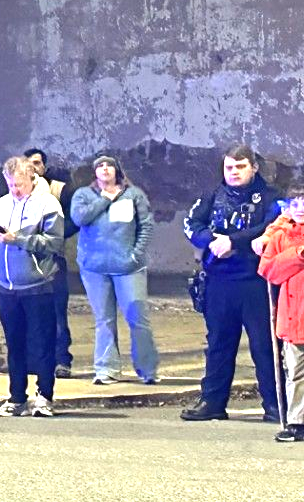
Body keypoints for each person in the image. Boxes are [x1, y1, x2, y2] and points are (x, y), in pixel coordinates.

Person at [181, 145, 280, 423]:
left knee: (264, 346)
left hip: (256, 283)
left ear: (254, 167)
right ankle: (212, 402)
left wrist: (234, 241)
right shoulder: (212, 196)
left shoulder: (271, 197)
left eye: (240, 167)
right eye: (229, 168)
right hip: (219, 282)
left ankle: (274, 405)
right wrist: (211, 241)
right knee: (218, 345)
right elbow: (191, 224)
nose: (234, 173)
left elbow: (271, 227)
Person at [69, 154, 159, 385]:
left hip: (128, 267)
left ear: (118, 170)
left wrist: (135, 254)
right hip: (95, 268)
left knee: (137, 318)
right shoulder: (84, 195)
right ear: (94, 172)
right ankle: (106, 369)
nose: (105, 169)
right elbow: (79, 218)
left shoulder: (134, 195)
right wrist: (104, 199)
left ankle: (147, 369)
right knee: (104, 319)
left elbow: (146, 226)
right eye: (100, 166)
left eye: (109, 165)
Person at [0, 153, 65, 417]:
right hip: (7, 287)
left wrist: (17, 239)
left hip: (37, 283)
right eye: (10, 185)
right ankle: (16, 396)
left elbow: (54, 243)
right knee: (14, 344)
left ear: (32, 179)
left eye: (19, 185)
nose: (15, 190)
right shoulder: (0, 205)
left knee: (42, 342)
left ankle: (44, 397)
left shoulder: (48, 205)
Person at [254, 183, 304, 443]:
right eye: (295, 204)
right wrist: (298, 255)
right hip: (294, 316)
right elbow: (269, 270)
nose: (301, 209)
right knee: (295, 372)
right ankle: (297, 421)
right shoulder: (282, 235)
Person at [25, 148, 76, 377]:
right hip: (26, 263)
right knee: (29, 314)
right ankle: (35, 360)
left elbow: (75, 218)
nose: (33, 167)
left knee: (56, 313)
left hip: (53, 260)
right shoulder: (19, 190)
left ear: (44, 166)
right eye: (28, 163)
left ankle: (61, 361)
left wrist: (55, 234)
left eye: (37, 163)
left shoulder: (59, 190)